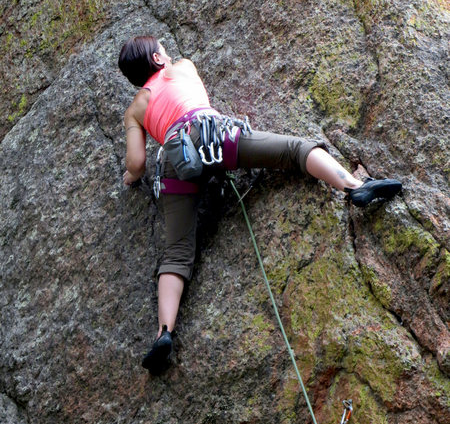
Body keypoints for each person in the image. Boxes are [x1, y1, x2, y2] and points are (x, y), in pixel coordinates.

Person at [118, 35, 402, 374]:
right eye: (162, 49)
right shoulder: (182, 68)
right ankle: (353, 186)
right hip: (215, 137)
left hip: (177, 162)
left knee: (176, 253)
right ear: (158, 58)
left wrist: (129, 177)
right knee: (293, 151)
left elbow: (136, 164)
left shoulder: (135, 109)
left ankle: (164, 332)